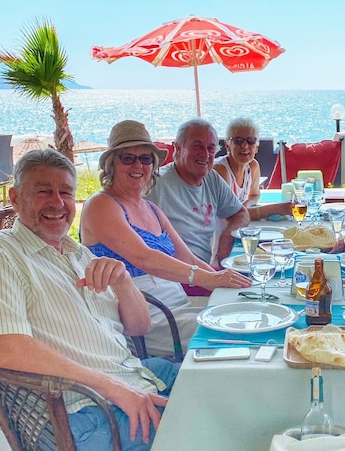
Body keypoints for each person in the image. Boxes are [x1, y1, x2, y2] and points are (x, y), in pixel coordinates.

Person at [0, 149, 174, 451]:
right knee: (208, 428)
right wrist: (115, 389)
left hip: (132, 376)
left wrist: (123, 281)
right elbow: (8, 350)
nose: (58, 203)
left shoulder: (78, 254)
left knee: (224, 384)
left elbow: (139, 326)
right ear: (16, 198)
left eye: (65, 192)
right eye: (44, 192)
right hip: (77, 415)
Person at [80, 121, 251, 355]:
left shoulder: (151, 209)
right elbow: (144, 258)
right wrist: (210, 279)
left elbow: (189, 259)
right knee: (236, 333)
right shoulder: (101, 205)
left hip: (179, 305)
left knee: (246, 313)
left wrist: (229, 283)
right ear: (112, 164)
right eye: (128, 158)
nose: (138, 165)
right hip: (148, 317)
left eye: (145, 158)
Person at [147, 119, 250, 266]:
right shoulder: (156, 185)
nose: (205, 154)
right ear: (178, 148)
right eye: (197, 146)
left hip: (203, 271)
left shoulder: (211, 179)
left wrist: (227, 237)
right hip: (174, 274)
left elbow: (241, 213)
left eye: (211, 148)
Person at [213, 117, 293, 219]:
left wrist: (246, 204)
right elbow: (231, 215)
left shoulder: (252, 166)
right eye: (238, 140)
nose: (245, 146)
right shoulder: (220, 170)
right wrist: (277, 208)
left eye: (250, 140)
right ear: (227, 145)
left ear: (256, 147)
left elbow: (254, 195)